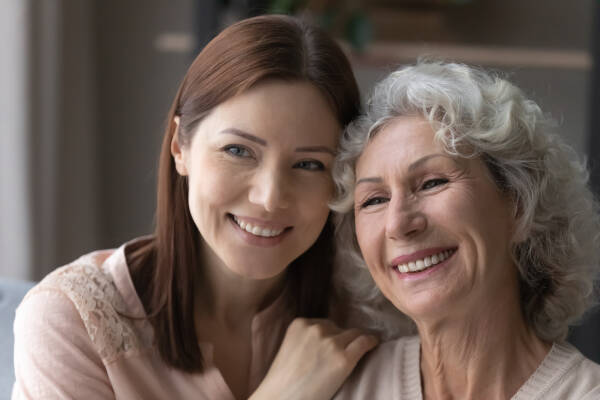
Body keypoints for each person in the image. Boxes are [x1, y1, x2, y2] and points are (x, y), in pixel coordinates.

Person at [12, 14, 378, 400]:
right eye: (238, 151)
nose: (270, 197)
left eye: (309, 164)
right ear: (179, 147)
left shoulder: (368, 315)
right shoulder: (71, 320)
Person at [331, 61, 600, 399]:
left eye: (432, 182)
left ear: (519, 205)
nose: (398, 223)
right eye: (374, 200)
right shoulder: (340, 385)